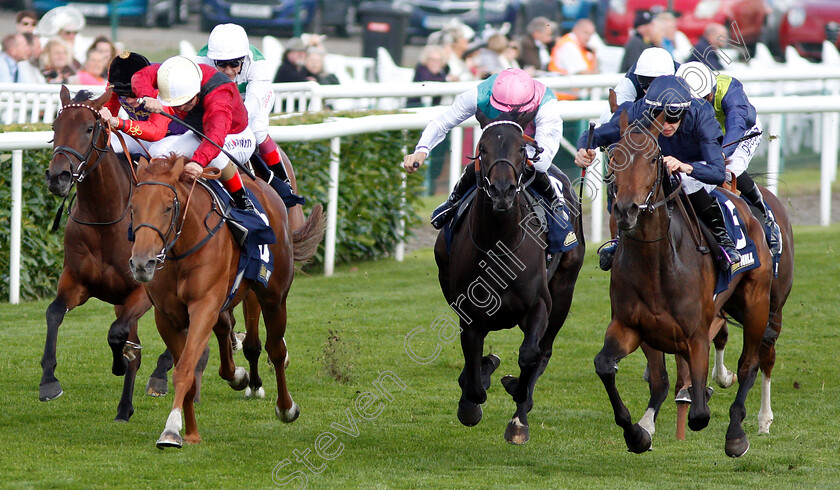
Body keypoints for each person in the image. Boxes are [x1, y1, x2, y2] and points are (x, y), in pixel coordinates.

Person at [575, 75, 741, 268]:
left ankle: (723, 241)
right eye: (658, 117)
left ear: (685, 112)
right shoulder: (638, 111)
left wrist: (686, 167)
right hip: (657, 162)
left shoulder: (701, 117)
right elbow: (593, 135)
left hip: (696, 164)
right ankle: (619, 238)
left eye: (672, 118)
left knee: (686, 183)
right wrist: (584, 149)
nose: (665, 125)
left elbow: (718, 173)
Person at [403, 68, 564, 229]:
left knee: (540, 169)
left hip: (527, 148)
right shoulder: (481, 93)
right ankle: (453, 201)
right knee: (482, 161)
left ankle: (558, 211)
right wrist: (421, 150)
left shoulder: (546, 104)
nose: (505, 114)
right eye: (500, 110)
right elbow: (441, 122)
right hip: (495, 146)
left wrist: (513, 154)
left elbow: (542, 161)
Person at [677, 61, 781, 255]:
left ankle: (766, 215)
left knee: (728, 170)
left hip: (741, 132)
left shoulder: (730, 91)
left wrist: (721, 154)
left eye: (699, 101)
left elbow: (736, 126)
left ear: (710, 94)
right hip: (708, 135)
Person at [196, 23, 303, 212]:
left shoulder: (258, 65)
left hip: (251, 99)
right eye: (221, 64)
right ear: (212, 60)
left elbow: (248, 109)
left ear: (244, 59)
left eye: (234, 64)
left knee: (257, 130)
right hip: (219, 99)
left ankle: (283, 181)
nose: (228, 71)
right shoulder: (199, 62)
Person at [132, 55, 258, 213]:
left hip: (236, 136)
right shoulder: (173, 74)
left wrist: (198, 162)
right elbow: (140, 75)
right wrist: (146, 96)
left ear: (197, 92)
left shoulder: (219, 94)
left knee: (216, 157)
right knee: (158, 152)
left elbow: (216, 135)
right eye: (176, 104)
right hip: (201, 134)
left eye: (187, 103)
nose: (182, 108)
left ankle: (244, 202)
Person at [98, 51, 185, 157]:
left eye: (134, 94)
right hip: (143, 134)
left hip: (179, 136)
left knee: (158, 151)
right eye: (123, 95)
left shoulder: (163, 84)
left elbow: (156, 131)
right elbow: (107, 117)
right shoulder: (116, 82)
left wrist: (117, 122)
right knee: (107, 143)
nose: (129, 101)